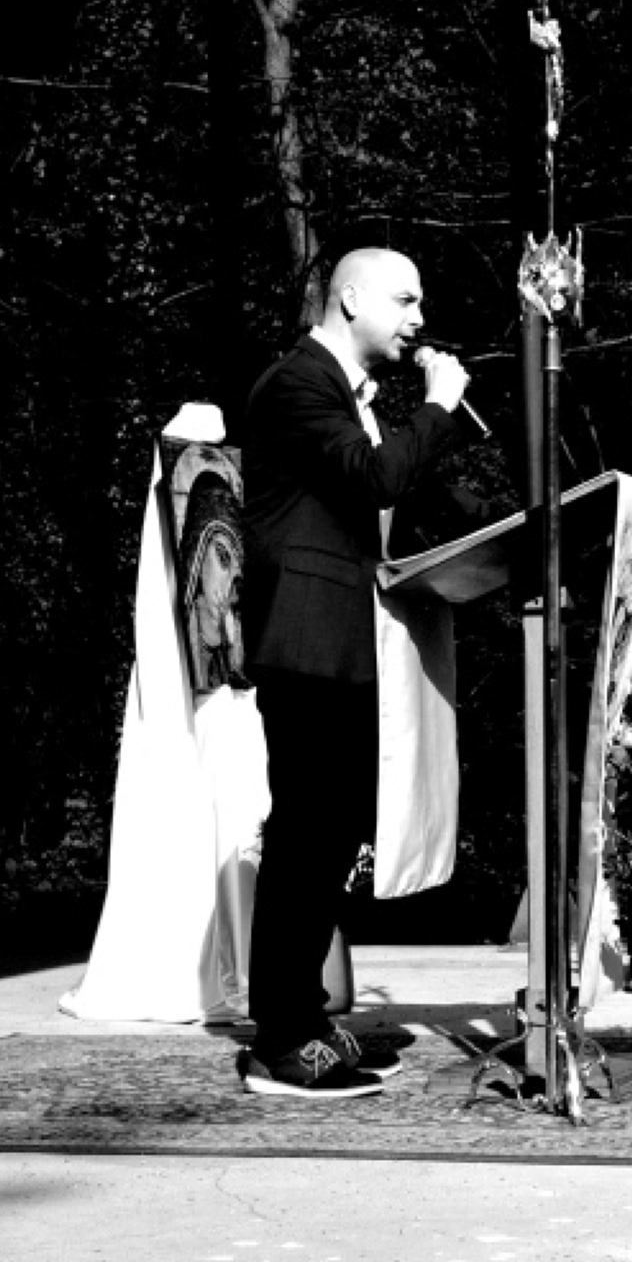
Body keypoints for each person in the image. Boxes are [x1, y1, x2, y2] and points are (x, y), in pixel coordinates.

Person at [234, 247, 476, 1097]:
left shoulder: (350, 397)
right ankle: (280, 1038)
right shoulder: (297, 383)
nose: (419, 318)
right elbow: (376, 478)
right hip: (305, 641)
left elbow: (403, 498)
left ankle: (305, 1018)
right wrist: (438, 407)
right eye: (405, 300)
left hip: (346, 643)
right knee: (305, 835)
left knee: (331, 837)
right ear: (349, 299)